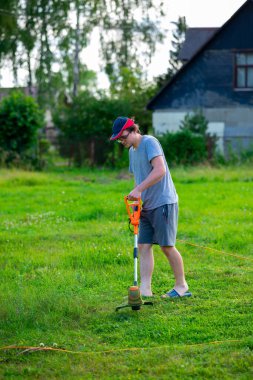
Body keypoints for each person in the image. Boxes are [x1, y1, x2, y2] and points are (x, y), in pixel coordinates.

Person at [110, 116, 191, 299]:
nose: (121, 141)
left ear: (132, 130)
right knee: (144, 245)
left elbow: (160, 170)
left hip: (163, 202)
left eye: (122, 137)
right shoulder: (132, 151)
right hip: (146, 206)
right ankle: (145, 290)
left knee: (166, 246)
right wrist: (138, 199)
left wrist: (139, 189)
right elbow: (139, 177)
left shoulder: (149, 142)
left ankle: (182, 286)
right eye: (118, 139)